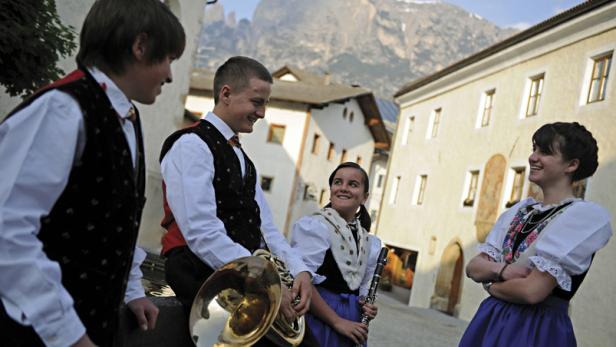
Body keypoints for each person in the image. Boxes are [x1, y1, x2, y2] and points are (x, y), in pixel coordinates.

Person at [0, 1, 186, 346]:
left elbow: (115, 224)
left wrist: (132, 290)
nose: (171, 75)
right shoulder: (62, 109)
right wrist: (67, 334)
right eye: (168, 59)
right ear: (140, 46)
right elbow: (7, 232)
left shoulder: (125, 116)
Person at [159, 56, 316, 346]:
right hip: (202, 271)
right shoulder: (191, 145)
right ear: (226, 94)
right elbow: (201, 232)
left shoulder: (244, 159)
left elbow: (265, 228)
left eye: (265, 103)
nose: (263, 113)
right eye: (257, 102)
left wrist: (298, 269)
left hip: (243, 274)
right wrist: (266, 283)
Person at [459, 122, 612, 347]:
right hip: (491, 319)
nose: (533, 157)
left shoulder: (582, 218)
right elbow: (473, 267)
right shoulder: (519, 211)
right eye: (535, 149)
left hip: (536, 329)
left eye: (545, 152)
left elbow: (531, 292)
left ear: (572, 164)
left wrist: (491, 285)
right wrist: (504, 270)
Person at [291, 162, 382, 346]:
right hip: (318, 318)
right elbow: (302, 282)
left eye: (353, 184)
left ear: (364, 197)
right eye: (338, 182)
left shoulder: (370, 242)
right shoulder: (315, 227)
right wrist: (337, 321)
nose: (343, 188)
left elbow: (364, 286)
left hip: (353, 324)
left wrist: (366, 304)